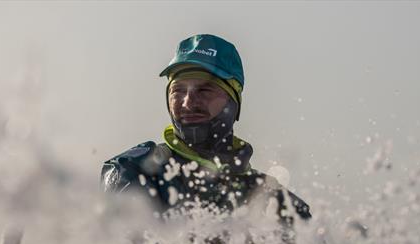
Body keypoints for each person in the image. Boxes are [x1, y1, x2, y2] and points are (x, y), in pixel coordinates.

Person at [101, 34, 311, 222]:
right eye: (178, 91)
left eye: (204, 90)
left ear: (233, 102)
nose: (187, 102)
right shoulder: (134, 170)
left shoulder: (272, 198)